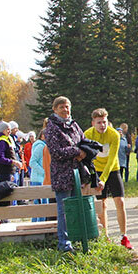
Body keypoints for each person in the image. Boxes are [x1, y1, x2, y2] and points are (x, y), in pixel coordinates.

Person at [45, 96, 87, 253]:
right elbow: (55, 152)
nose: (65, 109)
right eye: (61, 107)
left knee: (76, 208)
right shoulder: (52, 127)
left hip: (76, 173)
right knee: (64, 211)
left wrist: (86, 151)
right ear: (55, 109)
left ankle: (78, 238)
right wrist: (76, 151)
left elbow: (83, 141)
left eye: (67, 106)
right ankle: (64, 244)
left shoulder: (74, 125)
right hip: (62, 174)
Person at [84, 108, 130, 247]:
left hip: (112, 169)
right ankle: (105, 236)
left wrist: (104, 178)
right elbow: (87, 159)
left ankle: (124, 236)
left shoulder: (114, 135)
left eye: (104, 122)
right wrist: (96, 178)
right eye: (99, 122)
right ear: (93, 123)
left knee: (120, 202)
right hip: (96, 170)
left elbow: (112, 159)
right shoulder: (87, 134)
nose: (102, 125)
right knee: (101, 204)